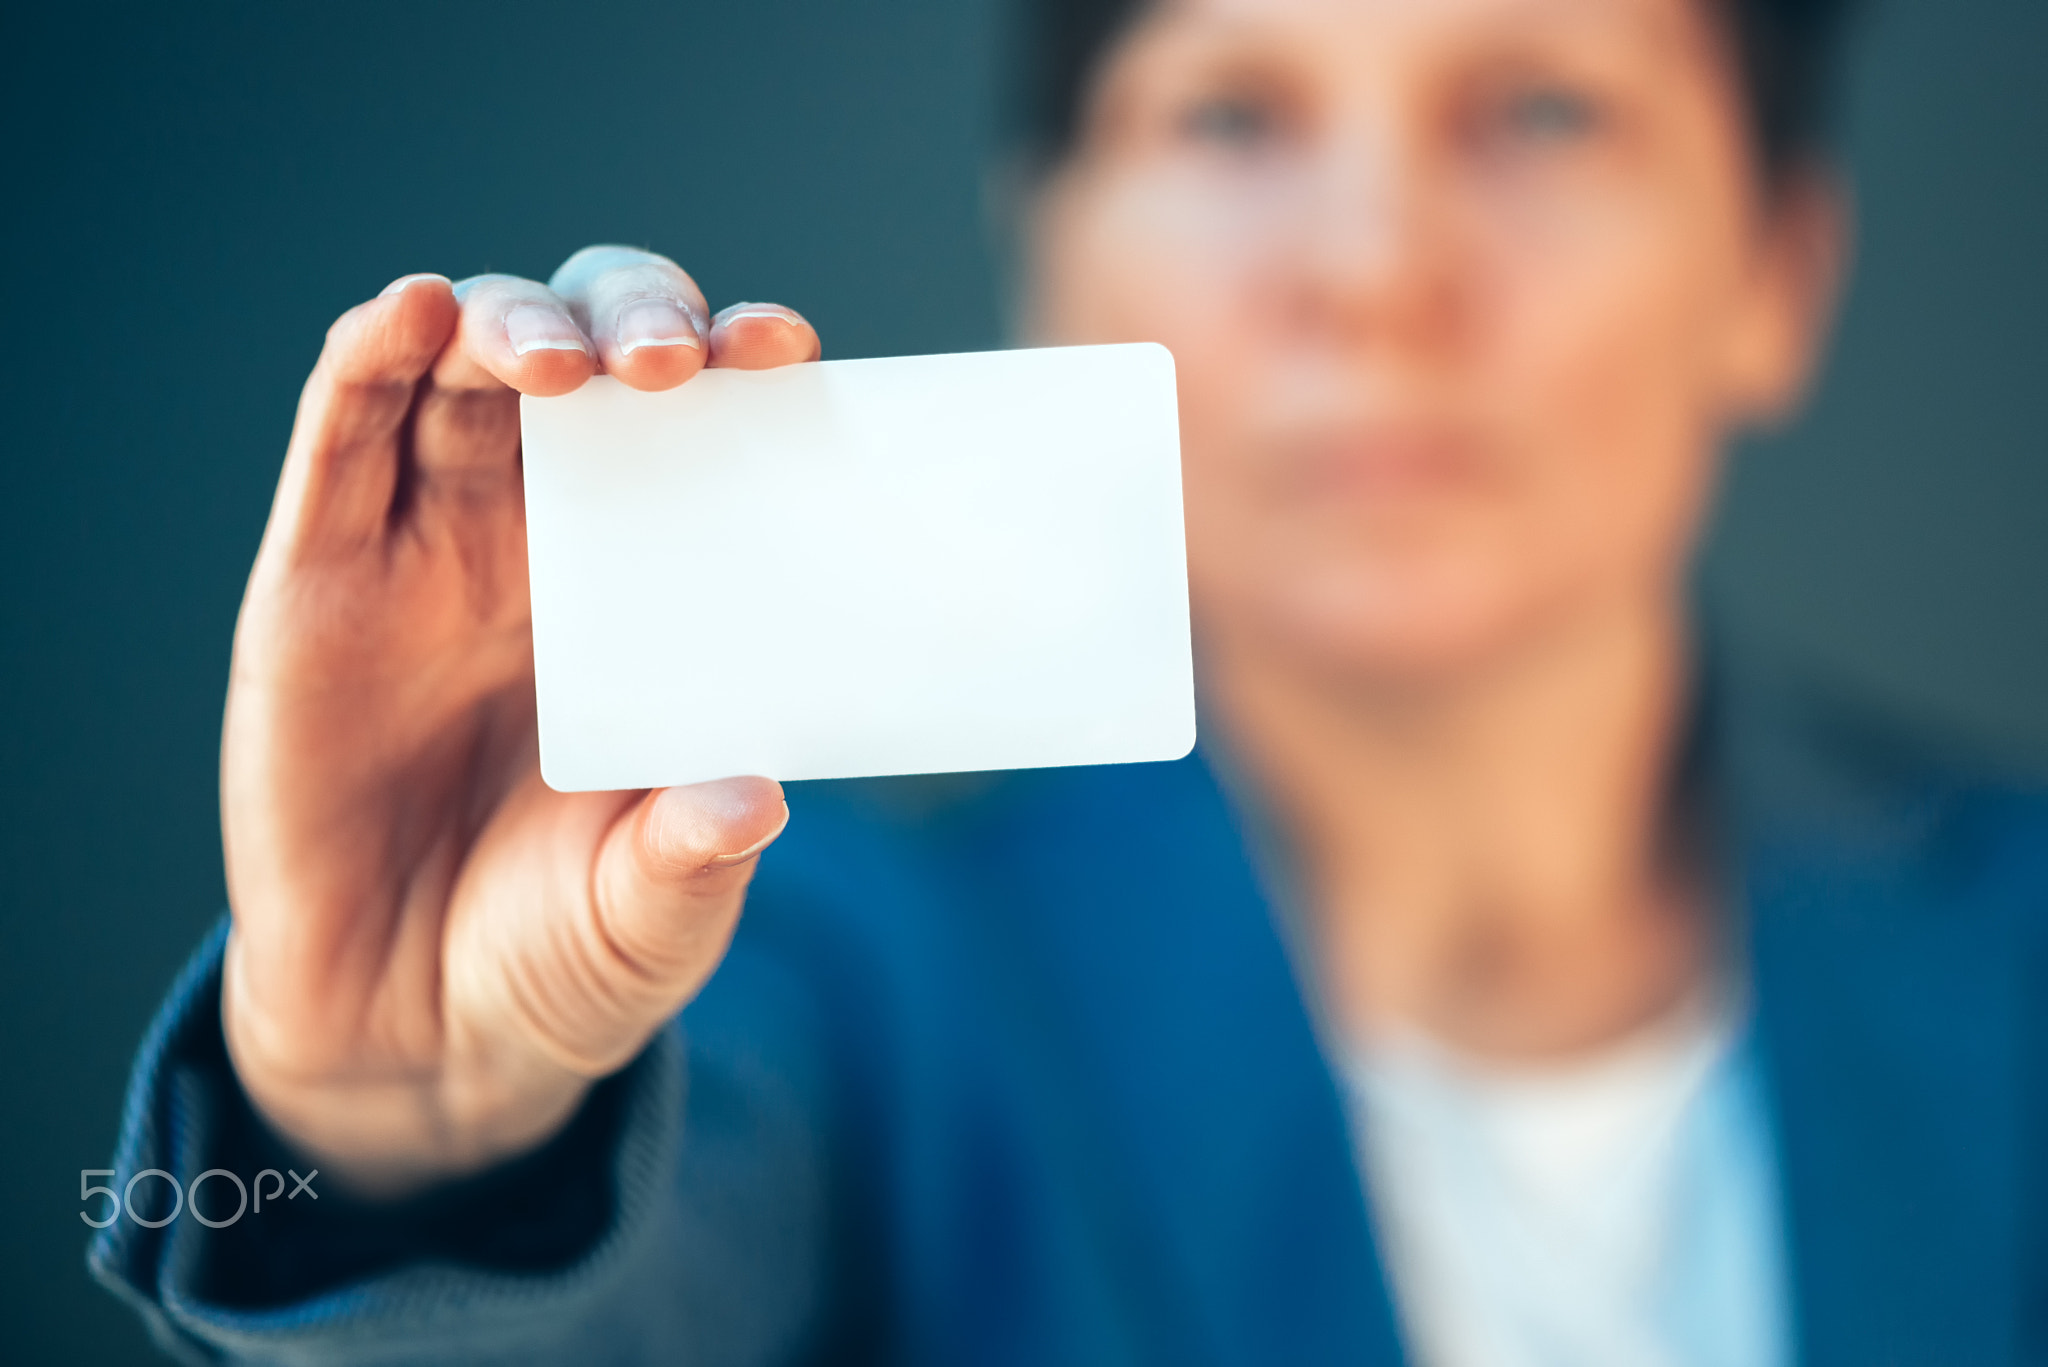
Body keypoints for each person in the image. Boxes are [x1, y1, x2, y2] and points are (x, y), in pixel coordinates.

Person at [89, 0, 2048, 1362]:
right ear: (1050, 249)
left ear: (1776, 266)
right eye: (1229, 113)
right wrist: (401, 1128)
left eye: (1542, 105)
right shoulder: (815, 975)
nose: (1372, 269)